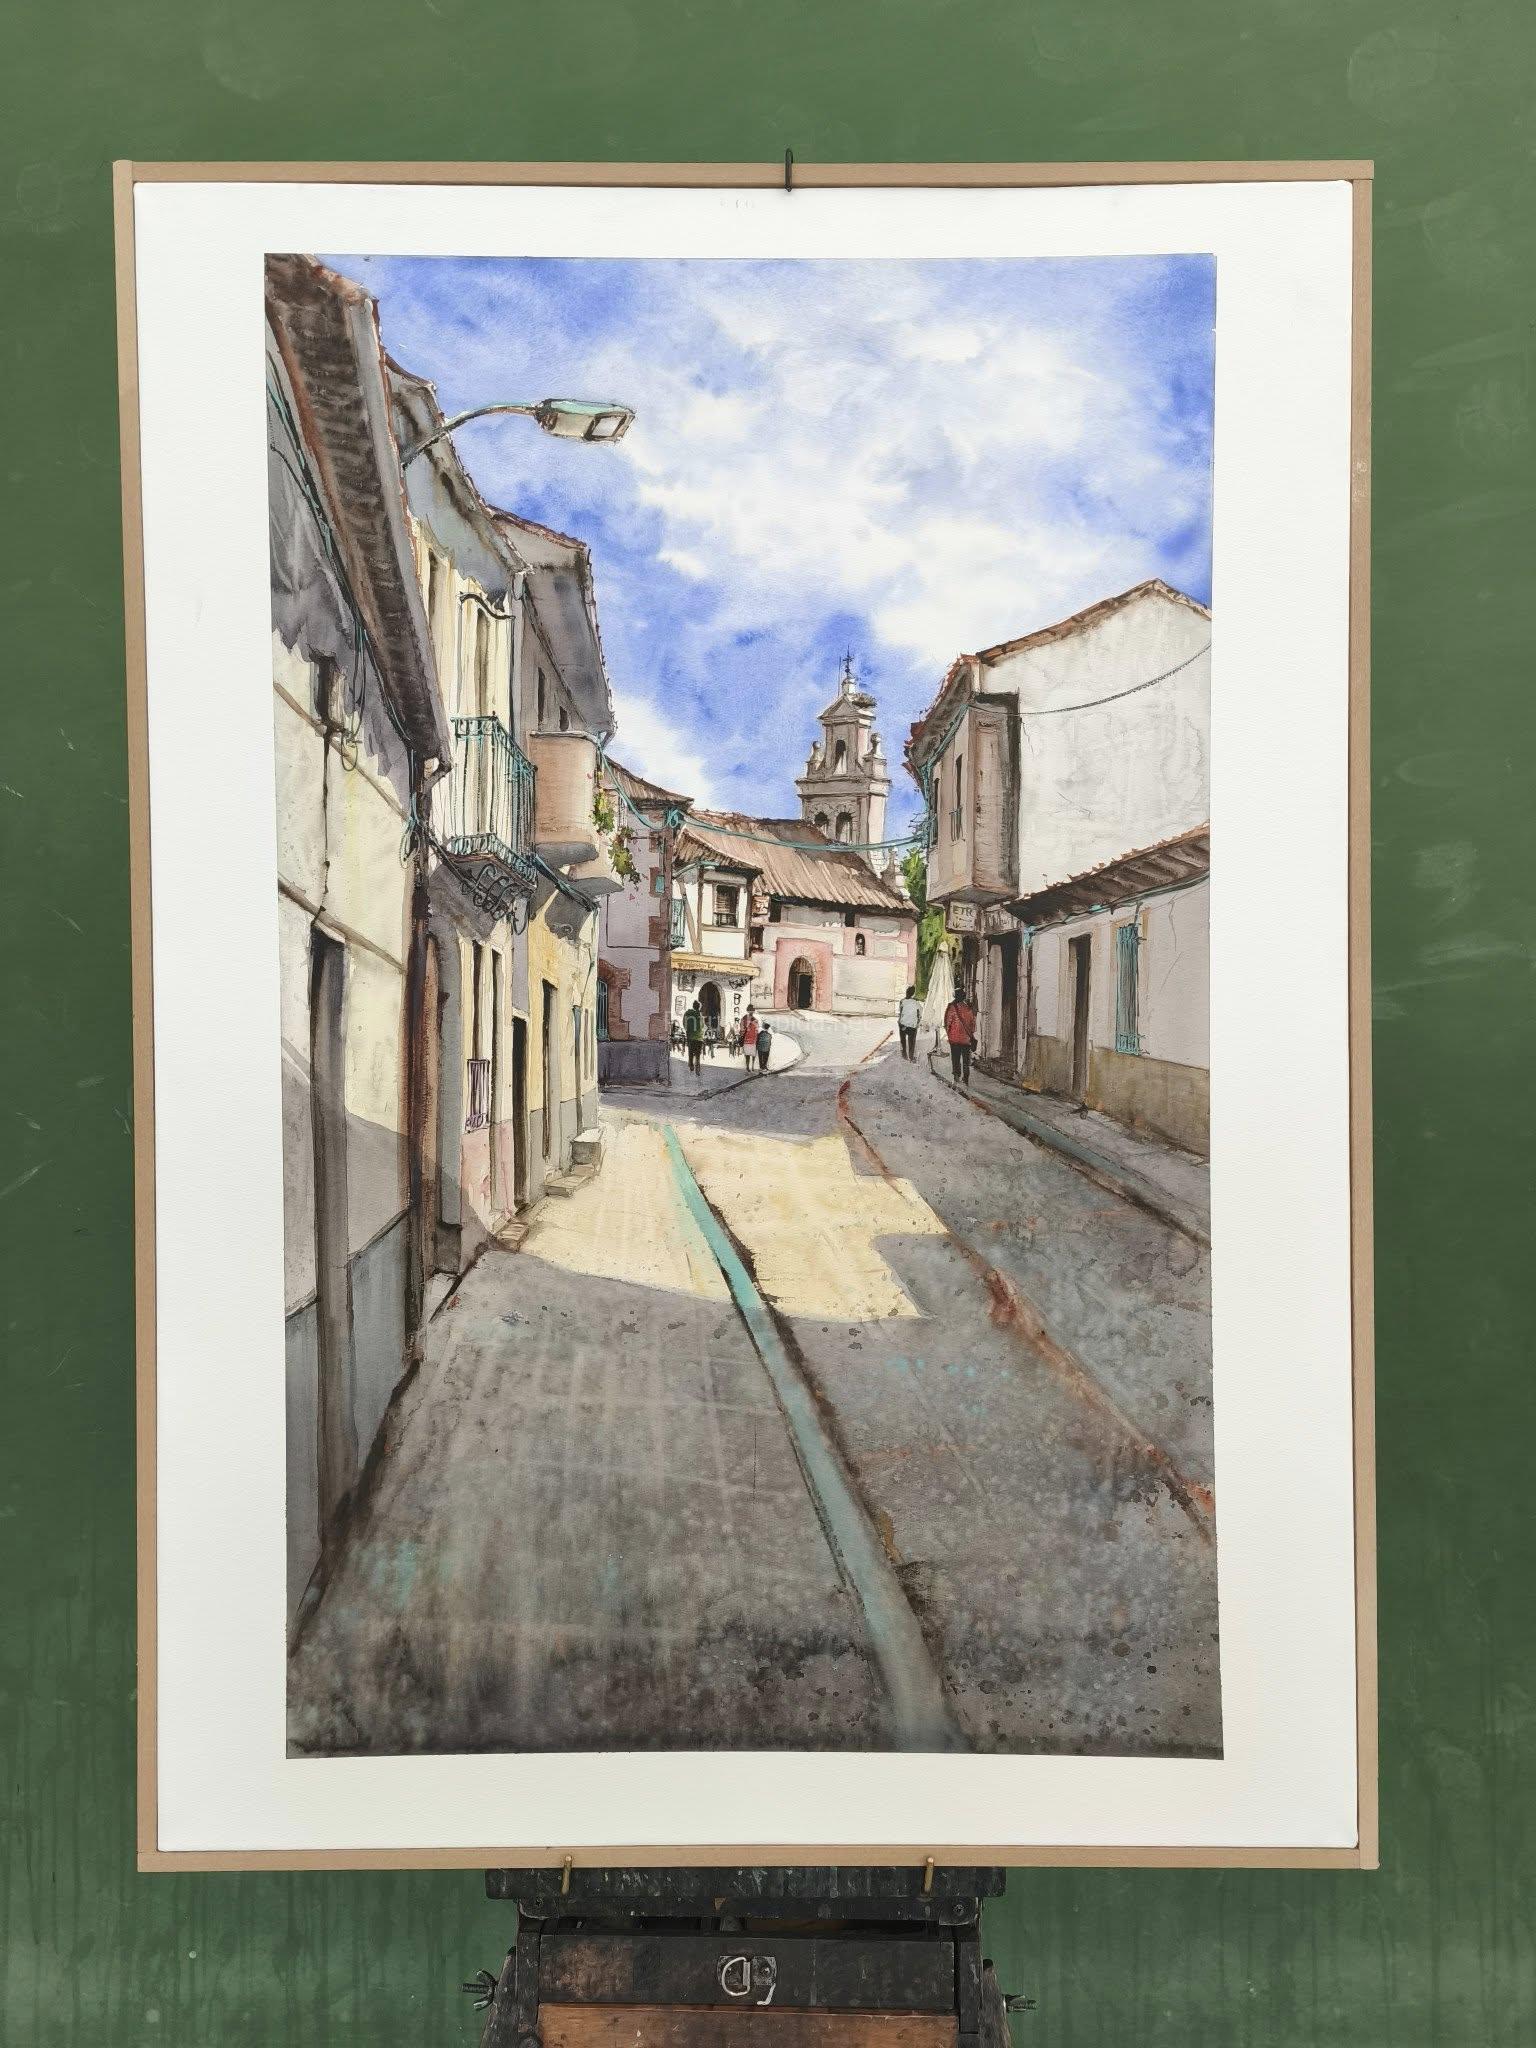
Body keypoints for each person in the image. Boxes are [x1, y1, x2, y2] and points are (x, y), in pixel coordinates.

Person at [943, 985, 977, 1084]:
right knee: (966, 1060)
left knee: (955, 1058)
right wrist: (970, 1034)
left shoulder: (951, 1007)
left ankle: (956, 1077)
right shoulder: (968, 1008)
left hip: (954, 1038)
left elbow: (947, 1022)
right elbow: (973, 1025)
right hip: (966, 1039)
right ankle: (966, 1078)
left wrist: (948, 1033)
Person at [897, 984, 921, 1062]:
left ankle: (904, 1055)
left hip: (902, 1024)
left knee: (903, 1041)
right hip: (912, 1026)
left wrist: (900, 1022)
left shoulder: (902, 1001)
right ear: (913, 993)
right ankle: (911, 1057)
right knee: (911, 1042)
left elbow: (901, 1013)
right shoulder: (916, 1002)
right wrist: (918, 1022)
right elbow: (920, 1014)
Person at [683, 999, 705, 1075]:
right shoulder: (700, 1015)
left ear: (693, 1006)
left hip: (690, 1036)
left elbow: (684, 1023)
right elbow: (702, 1026)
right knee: (698, 1054)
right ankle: (697, 1068)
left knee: (690, 1051)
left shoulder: (687, 1013)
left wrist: (688, 1030)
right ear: (699, 1007)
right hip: (699, 1037)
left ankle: (691, 1065)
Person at [740, 1006, 760, 1071]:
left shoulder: (747, 1018)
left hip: (750, 1040)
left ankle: (751, 1067)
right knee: (749, 1055)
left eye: (752, 1010)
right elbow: (757, 1030)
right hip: (750, 1040)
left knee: (750, 1055)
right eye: (750, 1010)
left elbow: (757, 1029)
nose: (751, 1012)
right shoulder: (746, 1019)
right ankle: (749, 1067)